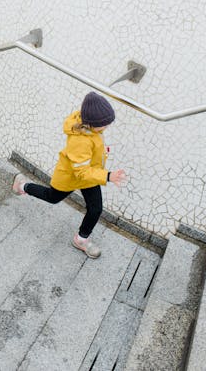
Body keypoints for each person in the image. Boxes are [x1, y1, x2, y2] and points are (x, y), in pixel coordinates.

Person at [12, 92, 126, 258]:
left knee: (95, 209)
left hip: (90, 175)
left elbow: (89, 161)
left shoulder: (90, 126)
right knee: (52, 197)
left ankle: (81, 240)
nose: (106, 127)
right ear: (91, 124)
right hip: (72, 177)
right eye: (104, 125)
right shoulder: (80, 141)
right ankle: (22, 186)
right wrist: (108, 176)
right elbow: (81, 171)